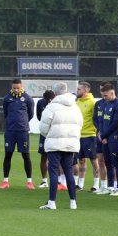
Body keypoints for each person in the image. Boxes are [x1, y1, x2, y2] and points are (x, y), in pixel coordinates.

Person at [38, 82, 83, 210]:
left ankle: (52, 202)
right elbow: (80, 124)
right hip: (70, 143)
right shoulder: (75, 106)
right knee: (68, 171)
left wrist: (50, 135)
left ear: (55, 93)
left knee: (53, 171)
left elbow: (43, 127)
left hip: (54, 143)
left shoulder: (51, 107)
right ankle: (73, 202)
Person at [0, 79, 35, 190]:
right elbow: (6, 113)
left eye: (18, 88)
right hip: (10, 131)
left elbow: (30, 114)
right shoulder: (7, 98)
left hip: (22, 131)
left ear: (21, 87)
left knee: (25, 155)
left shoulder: (27, 98)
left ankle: (29, 182)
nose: (16, 90)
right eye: (14, 88)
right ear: (11, 87)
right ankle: (5, 181)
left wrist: (22, 122)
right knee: (8, 154)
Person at [96, 83, 118, 196]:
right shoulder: (106, 104)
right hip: (105, 138)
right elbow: (102, 121)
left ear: (112, 93)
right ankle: (110, 186)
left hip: (115, 138)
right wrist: (101, 134)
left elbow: (115, 123)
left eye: (106, 95)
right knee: (108, 163)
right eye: (103, 95)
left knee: (117, 163)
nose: (104, 97)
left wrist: (104, 136)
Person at [75, 81, 100, 192]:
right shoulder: (77, 102)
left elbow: (97, 119)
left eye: (79, 89)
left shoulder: (92, 102)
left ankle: (96, 184)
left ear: (86, 90)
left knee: (94, 160)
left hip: (90, 135)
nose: (77, 91)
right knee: (81, 160)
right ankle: (80, 184)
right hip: (78, 135)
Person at [36, 90, 55, 189]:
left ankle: (59, 181)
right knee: (44, 156)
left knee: (56, 157)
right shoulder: (40, 103)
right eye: (47, 100)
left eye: (50, 100)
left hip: (56, 134)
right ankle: (44, 181)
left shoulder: (57, 105)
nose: (49, 101)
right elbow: (39, 117)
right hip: (44, 134)